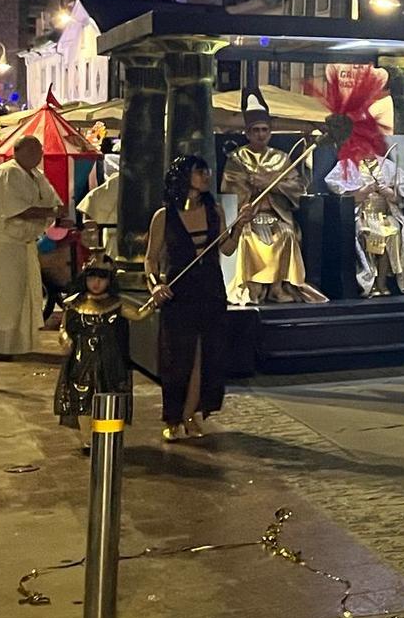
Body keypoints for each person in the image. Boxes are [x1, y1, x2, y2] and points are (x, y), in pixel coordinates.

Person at [146, 154, 236, 442]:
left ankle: (193, 414)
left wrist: (241, 224)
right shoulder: (164, 216)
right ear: (184, 177)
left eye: (207, 172)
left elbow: (228, 249)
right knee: (177, 358)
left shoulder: (215, 211)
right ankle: (174, 416)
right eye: (200, 172)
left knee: (205, 355)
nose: (206, 177)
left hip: (210, 291)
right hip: (179, 293)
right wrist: (154, 286)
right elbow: (150, 259)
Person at [222, 96, 324, 304]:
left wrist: (272, 183)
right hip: (249, 217)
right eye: (256, 130)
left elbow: (297, 187)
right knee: (248, 238)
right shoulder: (236, 159)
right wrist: (252, 188)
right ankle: (253, 288)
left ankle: (278, 287)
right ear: (248, 133)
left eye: (264, 130)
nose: (261, 134)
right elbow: (231, 188)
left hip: (276, 216)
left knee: (286, 234)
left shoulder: (282, 158)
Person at [54, 255, 163, 447]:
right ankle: (88, 439)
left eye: (102, 278)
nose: (96, 283)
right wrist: (65, 339)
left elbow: (138, 314)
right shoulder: (74, 304)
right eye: (92, 277)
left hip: (110, 359)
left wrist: (154, 301)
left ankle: (107, 437)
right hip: (82, 359)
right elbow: (64, 328)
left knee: (110, 396)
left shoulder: (116, 304)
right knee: (82, 398)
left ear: (109, 280)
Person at [0, 135, 65, 358]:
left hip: (23, 245)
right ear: (18, 152)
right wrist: (51, 213)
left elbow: (53, 202)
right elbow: (17, 209)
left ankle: (15, 344)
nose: (38, 156)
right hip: (0, 245)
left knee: (21, 296)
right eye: (32, 152)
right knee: (3, 297)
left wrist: (59, 213)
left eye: (40, 152)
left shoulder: (36, 175)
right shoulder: (6, 172)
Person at [325, 139, 404, 295]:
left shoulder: (387, 165)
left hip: (385, 214)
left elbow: (399, 197)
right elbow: (338, 190)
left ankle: (382, 282)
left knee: (393, 232)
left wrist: (389, 193)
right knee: (368, 233)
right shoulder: (347, 165)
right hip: (362, 214)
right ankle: (369, 282)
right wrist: (363, 191)